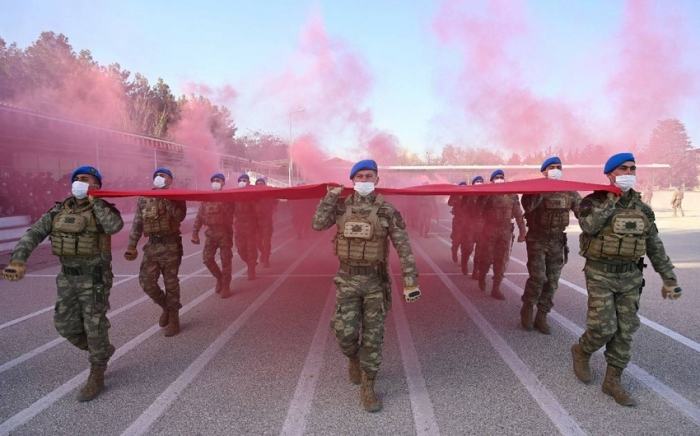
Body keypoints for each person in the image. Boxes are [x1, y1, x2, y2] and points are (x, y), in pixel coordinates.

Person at [3, 166, 123, 401]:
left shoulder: (102, 210)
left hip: (94, 278)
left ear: (96, 184)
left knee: (94, 324)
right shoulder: (59, 210)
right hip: (67, 277)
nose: (79, 182)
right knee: (64, 325)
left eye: (85, 179)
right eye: (76, 179)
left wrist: (96, 200)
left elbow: (114, 227)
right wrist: (18, 259)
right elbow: (35, 232)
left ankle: (97, 371)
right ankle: (101, 351)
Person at [571, 152, 681, 407]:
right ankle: (582, 350)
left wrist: (669, 278)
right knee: (602, 328)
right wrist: (611, 202)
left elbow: (654, 245)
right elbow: (588, 227)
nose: (629, 173)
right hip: (600, 274)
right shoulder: (592, 201)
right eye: (623, 169)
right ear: (610, 174)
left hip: (630, 276)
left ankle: (612, 381)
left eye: (632, 168)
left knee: (625, 331)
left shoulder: (642, 209)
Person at [312, 159, 421, 413]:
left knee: (373, 338)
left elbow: (403, 246)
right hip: (347, 280)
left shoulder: (387, 212)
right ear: (352, 181)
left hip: (375, 282)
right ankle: (353, 357)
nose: (364, 180)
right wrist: (329, 198)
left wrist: (410, 281)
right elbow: (317, 224)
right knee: (344, 333)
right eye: (359, 176)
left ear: (377, 180)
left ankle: (368, 385)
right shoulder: (340, 208)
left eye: (368, 176)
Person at [520, 157, 581, 334]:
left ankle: (542, 315)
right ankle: (528, 306)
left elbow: (583, 211)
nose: (556, 170)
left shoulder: (569, 192)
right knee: (539, 277)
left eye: (558, 167)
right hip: (537, 240)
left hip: (557, 241)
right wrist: (543, 189)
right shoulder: (533, 190)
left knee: (552, 282)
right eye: (551, 167)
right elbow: (528, 207)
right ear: (544, 171)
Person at [124, 168, 187, 336]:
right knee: (146, 282)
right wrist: (132, 245)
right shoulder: (145, 198)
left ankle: (174, 319)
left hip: (170, 246)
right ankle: (165, 306)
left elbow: (179, 217)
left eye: (163, 175)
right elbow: (137, 223)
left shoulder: (177, 196)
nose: (158, 178)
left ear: (170, 180)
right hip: (152, 246)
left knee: (171, 284)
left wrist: (166, 199)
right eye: (156, 176)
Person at [475, 169, 526, 300]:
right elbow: (478, 210)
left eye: (501, 177)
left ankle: (496, 288)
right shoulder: (487, 194)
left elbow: (518, 213)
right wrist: (485, 194)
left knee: (501, 260)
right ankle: (482, 276)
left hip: (505, 231)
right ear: (492, 181)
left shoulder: (511, 195)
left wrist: (522, 231)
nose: (499, 179)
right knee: (486, 258)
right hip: (490, 230)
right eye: (496, 177)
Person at [192, 173, 235, 299]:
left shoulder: (228, 198)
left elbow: (234, 210)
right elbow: (199, 217)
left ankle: (226, 286)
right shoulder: (206, 199)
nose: (216, 182)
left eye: (218, 180)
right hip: (210, 233)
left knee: (226, 260)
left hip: (224, 233)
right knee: (207, 259)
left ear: (223, 183)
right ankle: (219, 278)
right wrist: (195, 233)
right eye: (214, 180)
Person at [233, 173, 259, 280]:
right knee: (240, 249)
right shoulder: (234, 195)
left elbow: (258, 201)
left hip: (250, 225)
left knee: (251, 247)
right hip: (239, 225)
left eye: (245, 180)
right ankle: (250, 262)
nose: (242, 182)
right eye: (241, 180)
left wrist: (251, 192)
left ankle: (251, 267)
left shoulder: (253, 194)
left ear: (248, 182)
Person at [460, 175, 484, 276]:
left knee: (480, 251)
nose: (479, 183)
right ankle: (464, 263)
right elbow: (463, 208)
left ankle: (476, 271)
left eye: (481, 181)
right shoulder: (468, 195)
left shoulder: (485, 195)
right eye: (477, 181)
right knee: (468, 249)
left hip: (482, 228)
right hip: (469, 227)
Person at [254, 177, 278, 268]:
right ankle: (263, 252)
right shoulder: (252, 195)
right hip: (256, 222)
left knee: (267, 241)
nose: (259, 185)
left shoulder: (269, 194)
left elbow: (276, 202)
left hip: (266, 221)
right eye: (258, 183)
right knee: (257, 241)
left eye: (261, 183)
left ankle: (266, 259)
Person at [448, 181, 468, 263]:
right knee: (457, 238)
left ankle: (464, 260)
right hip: (458, 220)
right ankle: (454, 250)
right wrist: (455, 198)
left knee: (466, 240)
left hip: (468, 221)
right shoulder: (455, 195)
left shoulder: (469, 196)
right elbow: (449, 203)